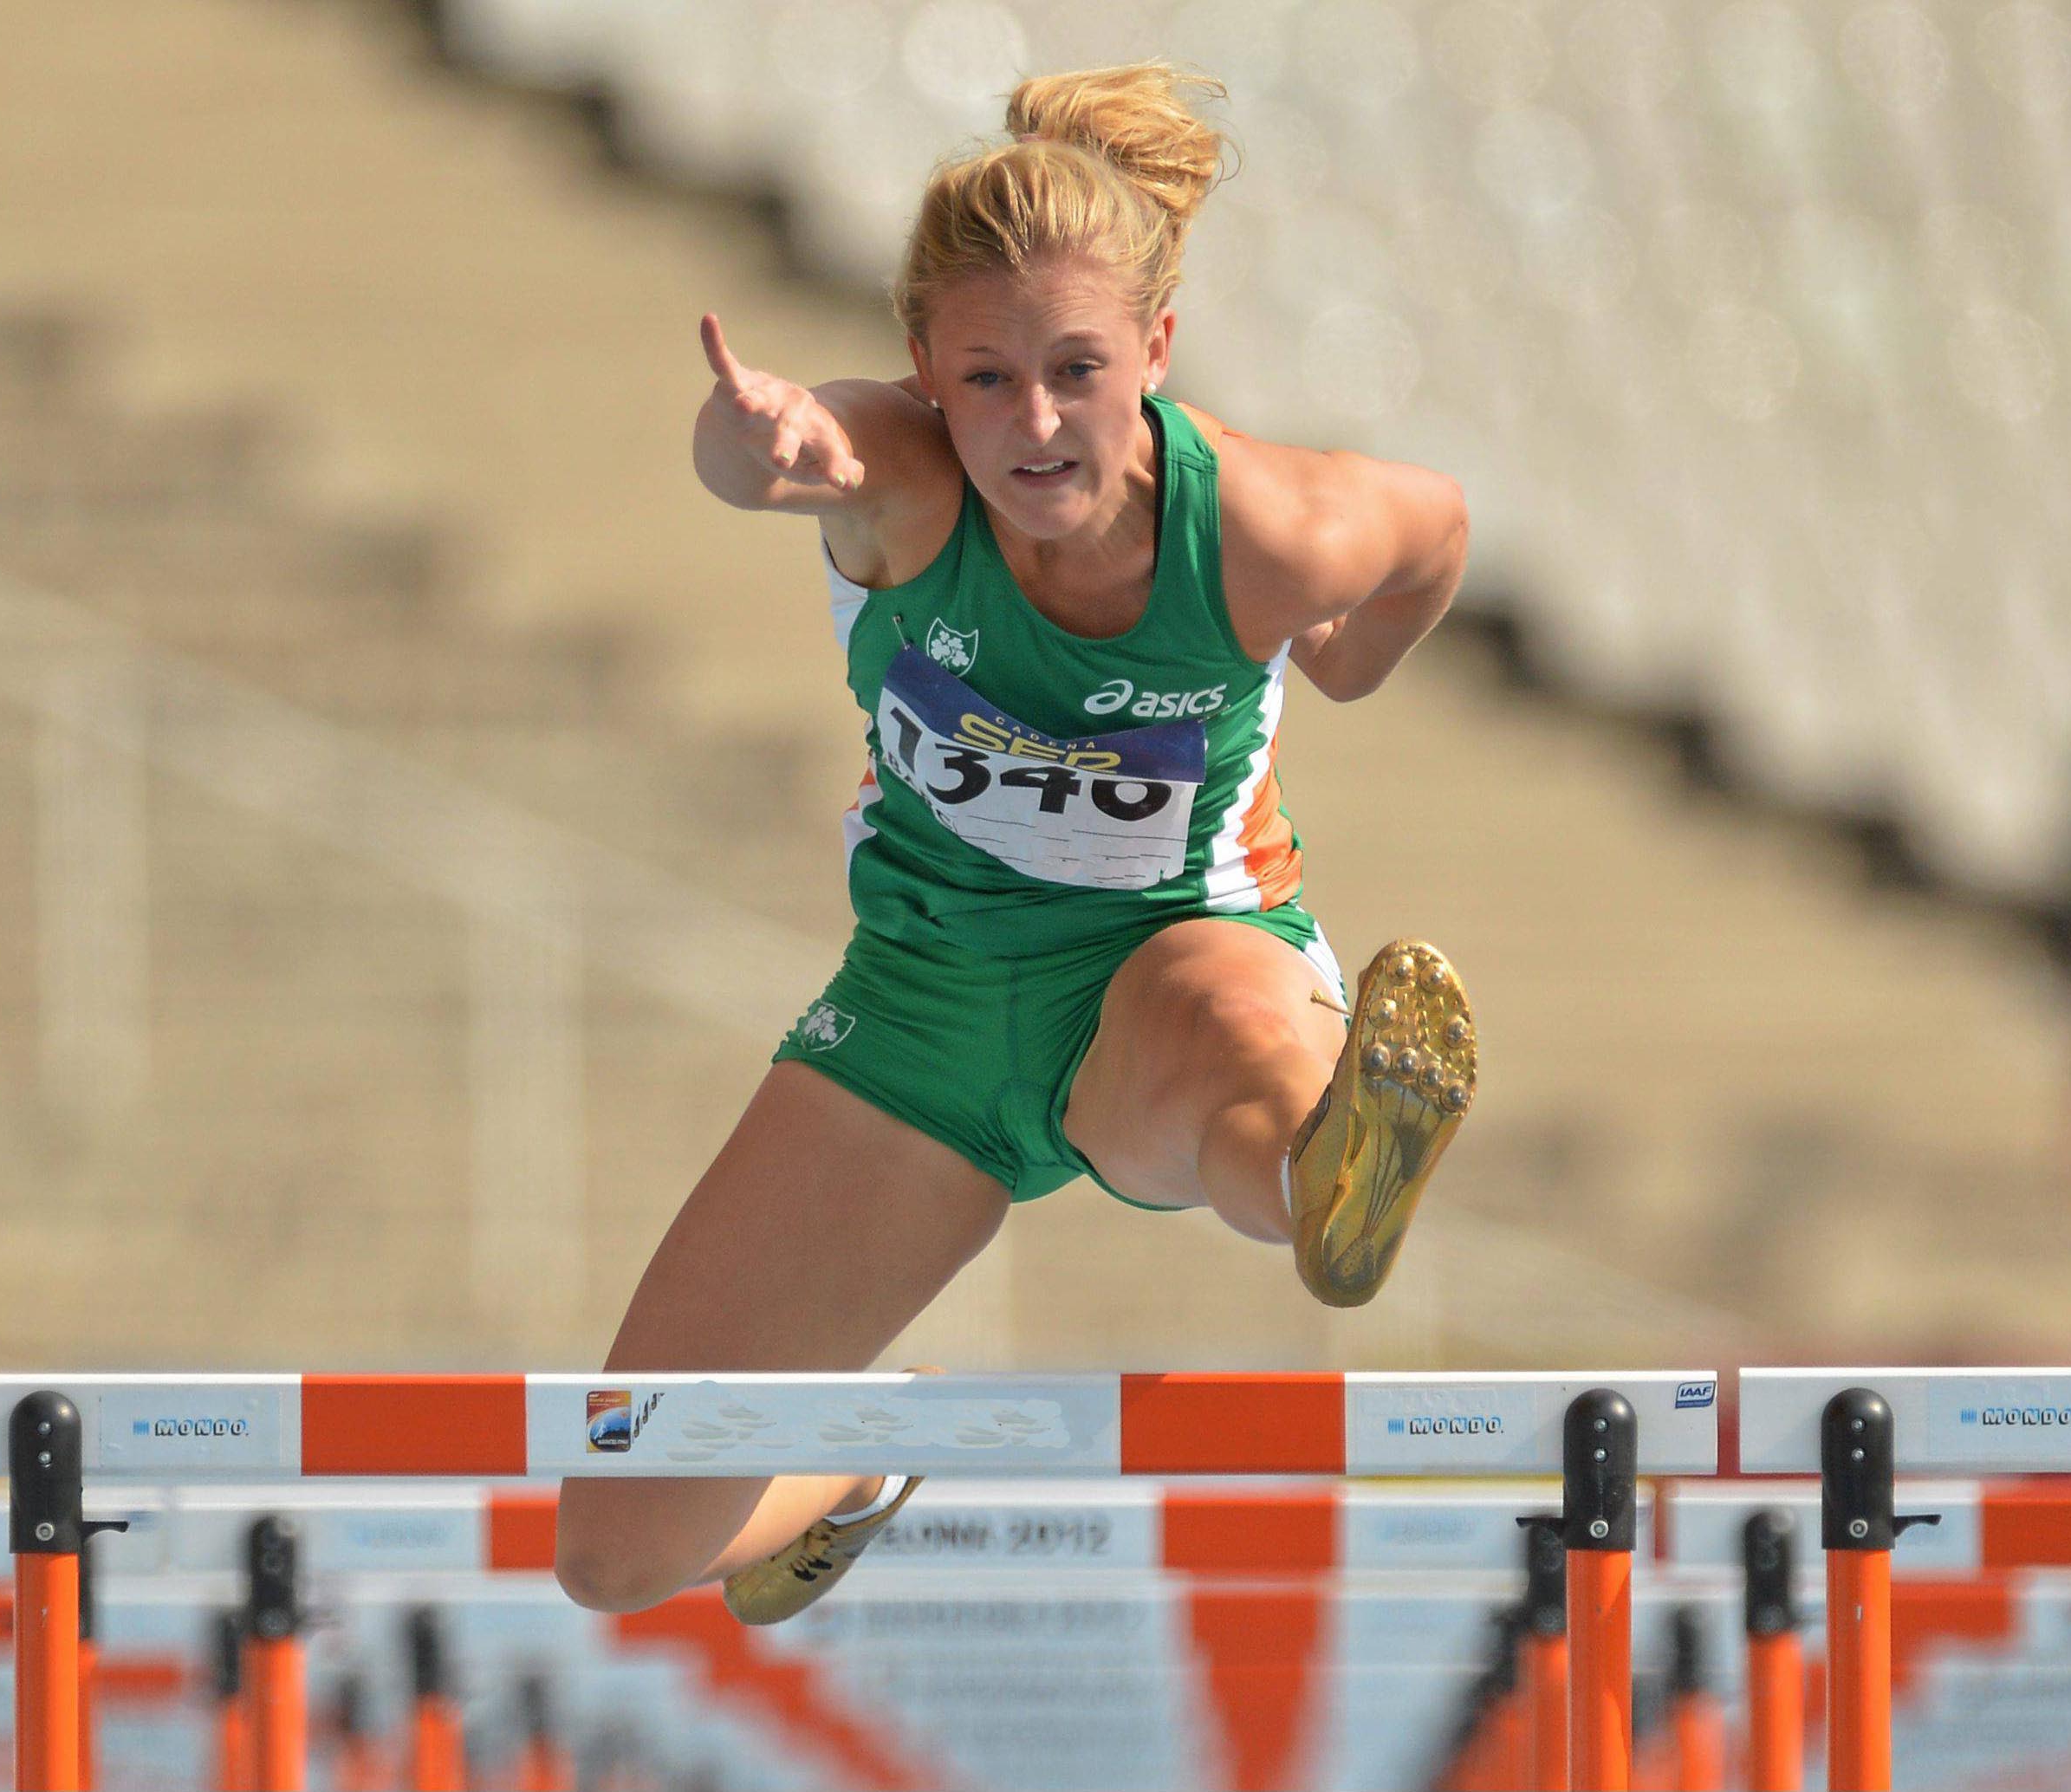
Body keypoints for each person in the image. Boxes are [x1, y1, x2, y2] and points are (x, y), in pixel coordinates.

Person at [555, 62, 1474, 1625]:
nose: (1034, 426)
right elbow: (794, 459)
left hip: (1171, 955)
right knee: (612, 1555)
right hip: (918, 1008)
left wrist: (1345, 655)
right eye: (985, 381)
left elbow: (1435, 527)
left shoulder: (1265, 531)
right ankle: (858, 1455)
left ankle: (1331, 1171)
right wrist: (757, 451)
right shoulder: (901, 483)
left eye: (1076, 372)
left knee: (1243, 1093)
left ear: (1156, 354)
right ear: (924, 368)